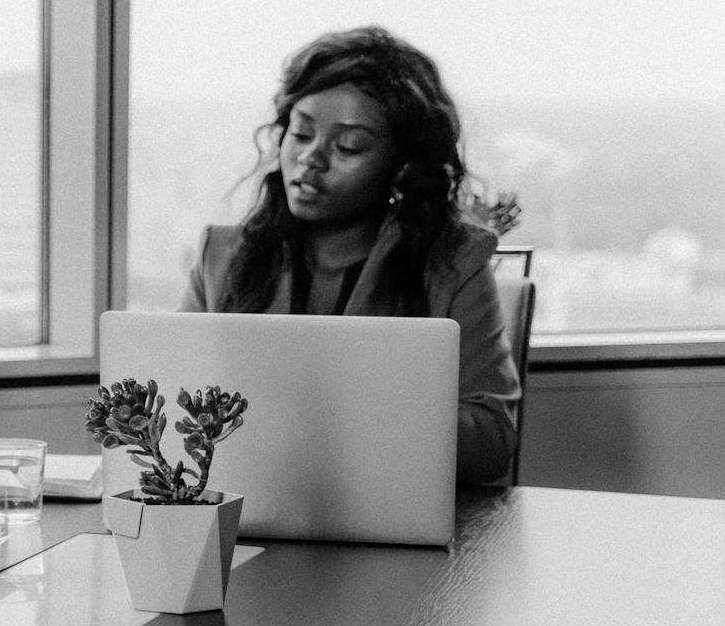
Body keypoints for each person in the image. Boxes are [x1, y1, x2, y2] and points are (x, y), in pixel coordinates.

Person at [180, 25, 520, 485]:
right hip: (250, 518)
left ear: (401, 166)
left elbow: (492, 441)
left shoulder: (453, 263)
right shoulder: (220, 258)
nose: (311, 159)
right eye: (300, 135)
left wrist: (344, 419)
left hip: (389, 517)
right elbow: (174, 405)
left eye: (349, 147)